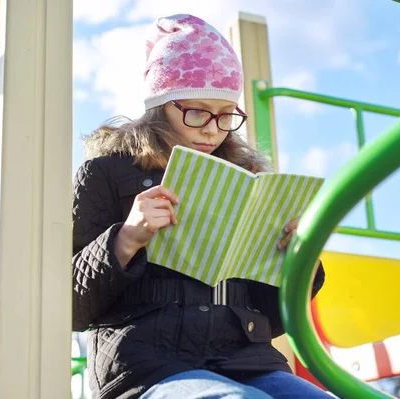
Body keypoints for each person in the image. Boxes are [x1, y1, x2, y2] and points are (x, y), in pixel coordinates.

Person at [72, 13, 329, 399]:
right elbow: (70, 305)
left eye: (226, 115)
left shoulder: (249, 181)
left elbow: (274, 320)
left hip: (248, 361)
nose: (212, 128)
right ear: (160, 106)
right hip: (146, 366)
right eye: (197, 112)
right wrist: (124, 240)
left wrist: (298, 263)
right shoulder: (106, 172)